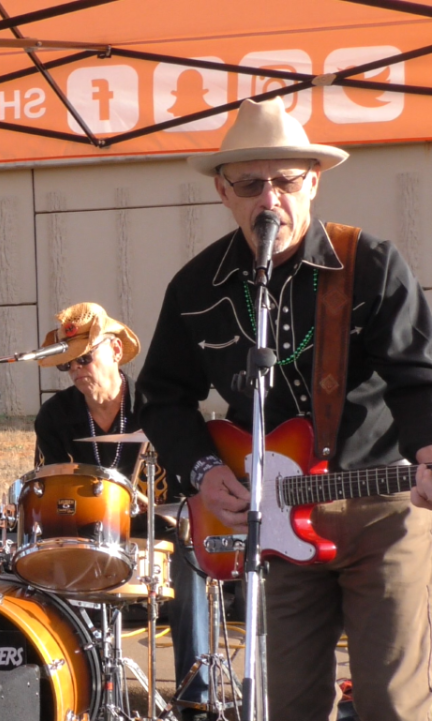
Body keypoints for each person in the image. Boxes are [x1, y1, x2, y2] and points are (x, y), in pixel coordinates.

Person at [138, 96, 432, 721]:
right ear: (223, 191)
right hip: (270, 518)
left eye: (284, 181)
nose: (268, 199)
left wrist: (429, 446)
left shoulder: (369, 264)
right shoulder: (196, 289)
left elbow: (418, 375)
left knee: (392, 702)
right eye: (249, 183)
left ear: (313, 182)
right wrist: (200, 471)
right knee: (289, 703)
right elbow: (160, 396)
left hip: (380, 506)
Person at [32, 302, 209, 718]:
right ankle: (81, 691)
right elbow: (52, 491)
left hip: (160, 531)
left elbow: (191, 483)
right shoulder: (55, 417)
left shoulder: (159, 404)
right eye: (68, 365)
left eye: (84, 358)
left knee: (190, 562)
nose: (76, 371)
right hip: (88, 532)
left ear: (114, 350)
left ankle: (194, 699)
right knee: (51, 564)